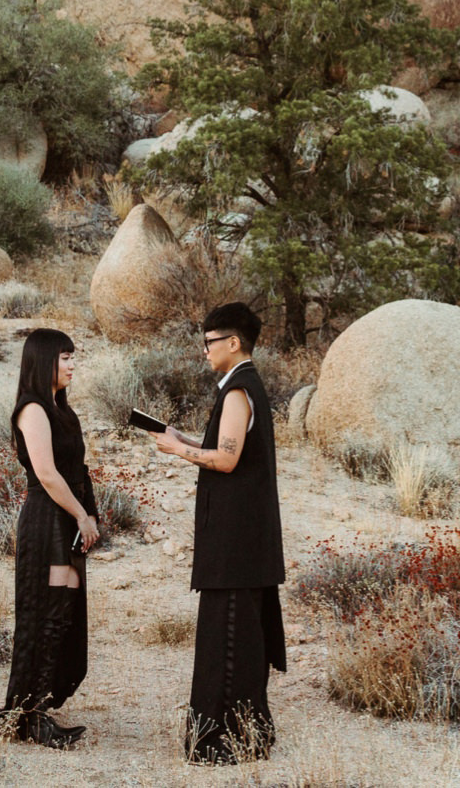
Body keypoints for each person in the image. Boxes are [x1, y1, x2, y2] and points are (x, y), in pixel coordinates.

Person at [154, 301, 287, 763]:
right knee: (241, 637)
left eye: (210, 342)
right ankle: (249, 734)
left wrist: (176, 451)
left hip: (235, 544)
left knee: (228, 640)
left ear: (233, 343)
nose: (205, 350)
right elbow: (232, 450)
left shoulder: (237, 391)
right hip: (245, 541)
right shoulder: (244, 387)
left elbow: (227, 459)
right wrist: (188, 439)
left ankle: (221, 742)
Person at [0, 327, 99, 748]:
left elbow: (78, 469)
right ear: (44, 361)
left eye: (74, 356)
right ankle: (27, 716)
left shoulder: (62, 410)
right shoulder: (33, 410)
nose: (72, 364)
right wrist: (80, 515)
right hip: (47, 519)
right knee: (45, 615)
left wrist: (89, 514)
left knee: (62, 614)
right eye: (65, 357)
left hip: (68, 518)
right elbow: (46, 474)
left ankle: (34, 708)